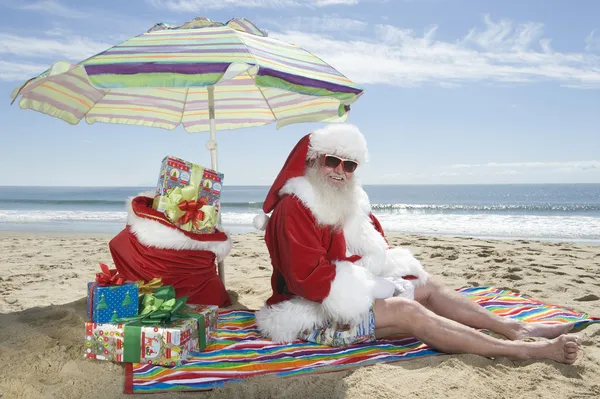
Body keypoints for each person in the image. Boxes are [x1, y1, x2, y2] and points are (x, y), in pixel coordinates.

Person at [252, 124, 580, 364]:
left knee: (425, 283)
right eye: (331, 161)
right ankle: (519, 350)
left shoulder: (342, 201)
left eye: (349, 165)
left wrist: (385, 280)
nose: (340, 171)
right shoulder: (294, 207)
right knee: (407, 309)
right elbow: (307, 280)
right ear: (312, 161)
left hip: (345, 292)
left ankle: (512, 326)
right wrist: (376, 287)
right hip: (309, 311)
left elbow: (371, 250)